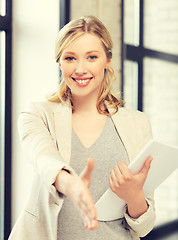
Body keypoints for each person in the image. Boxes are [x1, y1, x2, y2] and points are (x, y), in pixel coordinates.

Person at [9, 15, 156, 240]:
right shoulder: (36, 115)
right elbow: (44, 159)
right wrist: (70, 184)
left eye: (91, 57)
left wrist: (134, 196)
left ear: (107, 60)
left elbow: (144, 227)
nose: (80, 69)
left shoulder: (137, 123)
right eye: (70, 58)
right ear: (59, 61)